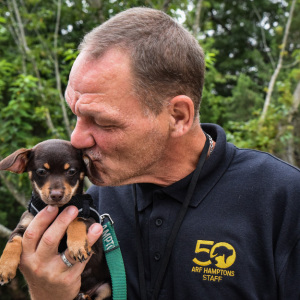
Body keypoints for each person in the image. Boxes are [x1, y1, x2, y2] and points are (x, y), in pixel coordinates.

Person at [19, 7, 300, 300]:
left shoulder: (283, 199)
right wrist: (47, 293)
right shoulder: (94, 203)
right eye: (75, 114)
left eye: (101, 121)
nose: (76, 139)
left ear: (178, 116)